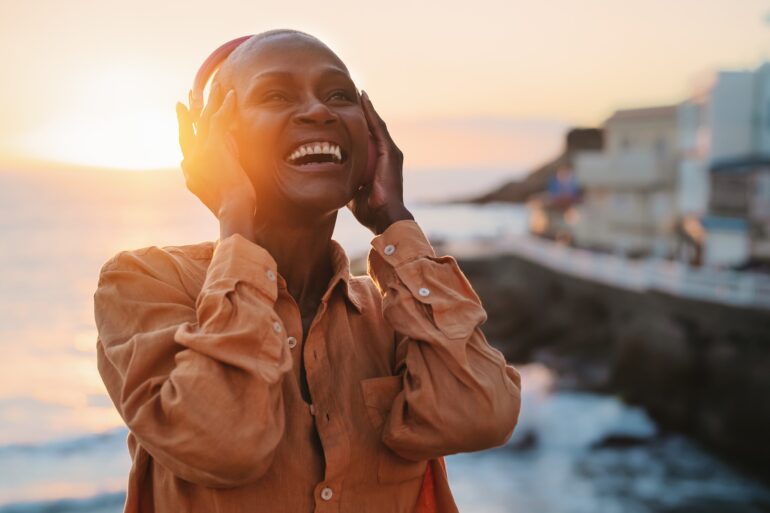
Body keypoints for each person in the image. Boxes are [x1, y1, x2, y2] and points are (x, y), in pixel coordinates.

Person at [94, 29, 522, 513]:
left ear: (371, 140)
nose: (319, 112)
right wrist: (234, 211)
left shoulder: (393, 315)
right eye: (276, 95)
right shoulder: (142, 284)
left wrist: (394, 220)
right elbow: (224, 444)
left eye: (339, 95)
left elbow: (480, 417)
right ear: (215, 142)